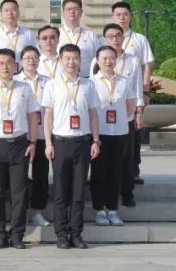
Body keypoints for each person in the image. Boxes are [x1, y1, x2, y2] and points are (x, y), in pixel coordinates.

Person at [0, 48, 39, 249]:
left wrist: (33, 143)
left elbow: (32, 117)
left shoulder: (25, 88)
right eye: (1, 63)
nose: (5, 67)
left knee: (19, 192)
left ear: (15, 65)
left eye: (9, 63)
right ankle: (0, 234)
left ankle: (18, 234)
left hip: (19, 144)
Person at [42, 43, 101, 249]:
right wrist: (48, 143)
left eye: (75, 58)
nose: (71, 62)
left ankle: (76, 233)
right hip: (60, 142)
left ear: (80, 60)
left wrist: (95, 140)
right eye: (67, 58)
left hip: (82, 142)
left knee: (78, 192)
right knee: (60, 191)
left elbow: (93, 114)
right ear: (60, 60)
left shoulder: (88, 85)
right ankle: (61, 234)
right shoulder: (52, 85)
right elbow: (47, 116)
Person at [97, 22, 146, 207]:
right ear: (105, 39)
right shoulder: (98, 59)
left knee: (127, 158)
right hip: (103, 121)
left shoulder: (132, 60)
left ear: (123, 37)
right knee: (104, 160)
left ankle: (127, 194)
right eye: (111, 36)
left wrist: (138, 113)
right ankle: (104, 198)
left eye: (118, 35)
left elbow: (137, 87)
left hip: (126, 117)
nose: (115, 39)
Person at [89, 46, 135, 227]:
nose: (108, 62)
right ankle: (99, 210)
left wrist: (121, 120)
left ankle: (113, 209)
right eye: (104, 58)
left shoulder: (124, 81)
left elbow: (130, 106)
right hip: (99, 133)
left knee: (116, 172)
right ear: (97, 61)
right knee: (99, 173)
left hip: (120, 132)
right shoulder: (91, 82)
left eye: (111, 58)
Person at [111, 1, 155, 192]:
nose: (122, 18)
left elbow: (147, 66)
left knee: (134, 132)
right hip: (111, 96)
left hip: (133, 94)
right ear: (113, 17)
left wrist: (144, 92)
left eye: (125, 14)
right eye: (118, 14)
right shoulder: (106, 39)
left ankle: (133, 169)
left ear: (130, 16)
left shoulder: (139, 39)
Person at [15, 46, 52, 227]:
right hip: (21, 134)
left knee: (41, 175)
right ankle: (19, 212)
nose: (31, 61)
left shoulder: (48, 82)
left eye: (35, 57)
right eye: (27, 58)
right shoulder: (14, 81)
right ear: (21, 61)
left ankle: (37, 211)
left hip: (43, 134)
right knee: (19, 177)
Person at [58, 0, 103, 78]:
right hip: (61, 81)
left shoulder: (90, 35)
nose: (72, 12)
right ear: (62, 13)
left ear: (81, 12)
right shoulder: (56, 35)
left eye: (76, 9)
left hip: (86, 79)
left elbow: (100, 58)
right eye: (68, 9)